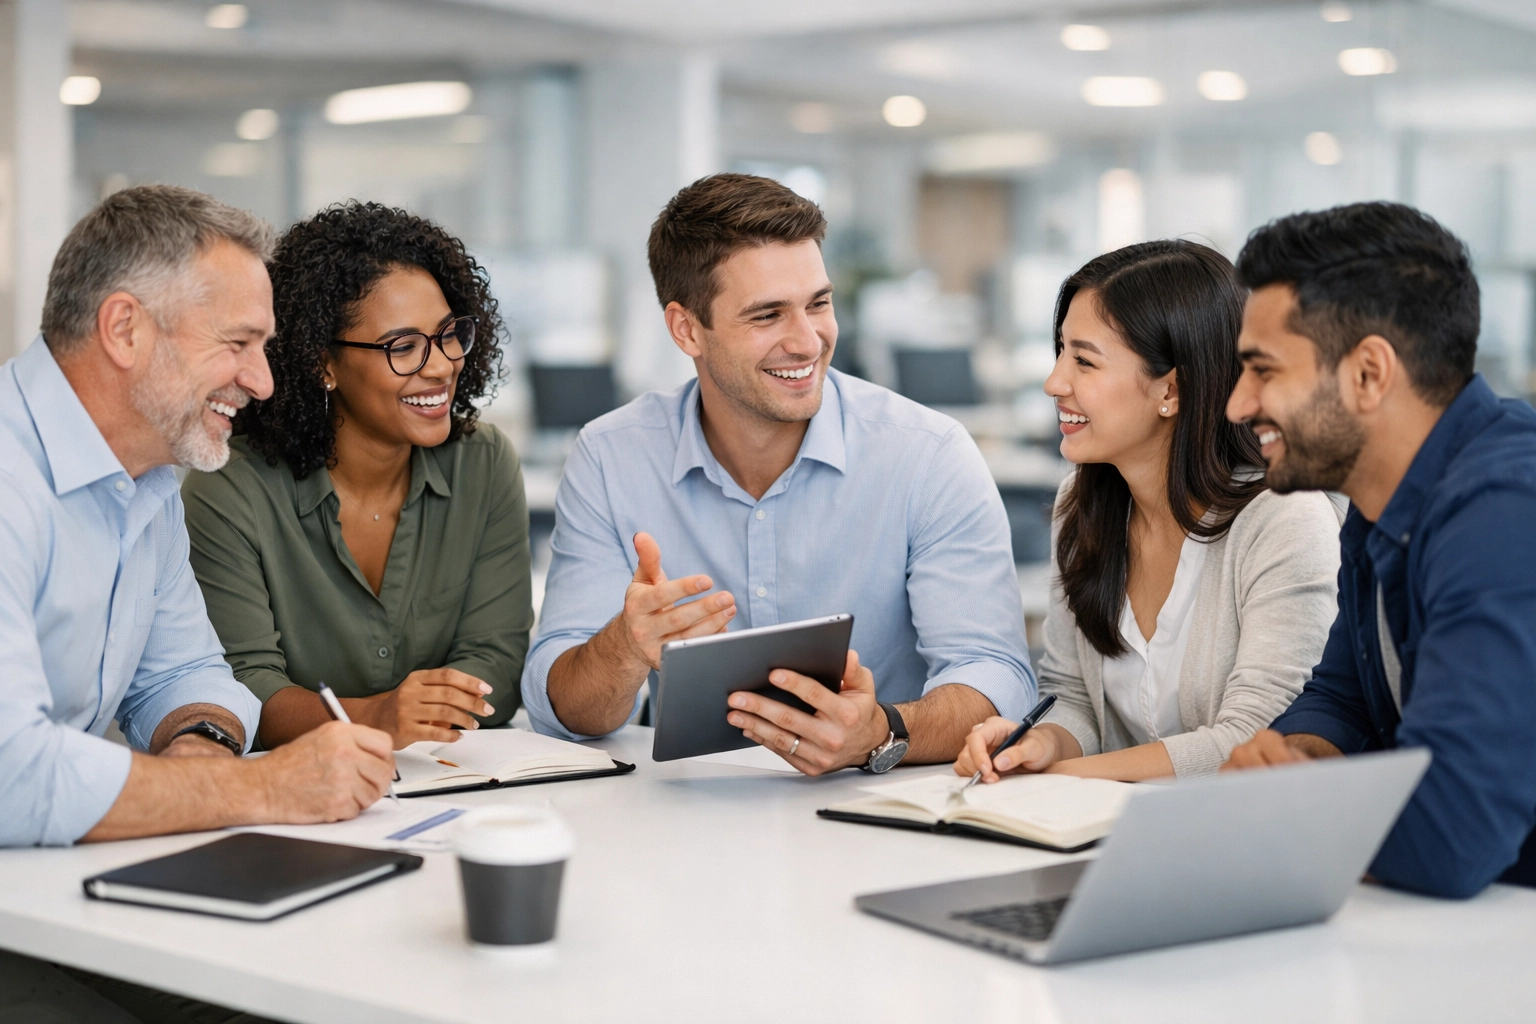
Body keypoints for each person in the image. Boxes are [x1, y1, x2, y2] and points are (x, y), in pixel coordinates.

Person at [0, 187, 393, 1019]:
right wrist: (265, 788)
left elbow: (186, 672)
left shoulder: (146, 481)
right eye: (238, 344)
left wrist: (202, 750)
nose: (262, 381)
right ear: (124, 330)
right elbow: (12, 775)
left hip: (47, 885)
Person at [521, 173, 1035, 774]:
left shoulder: (928, 454)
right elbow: (561, 708)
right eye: (767, 315)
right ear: (687, 329)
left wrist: (883, 731)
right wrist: (623, 648)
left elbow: (997, 676)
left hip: (879, 799)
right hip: (684, 808)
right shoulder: (611, 457)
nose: (808, 341)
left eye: (818, 304)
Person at [1220, 201, 1536, 900]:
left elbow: (1453, 834)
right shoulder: (1382, 507)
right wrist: (1295, 758)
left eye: (1263, 370)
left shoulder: (1504, 509)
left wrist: (1288, 805)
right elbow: (1343, 699)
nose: (1238, 405)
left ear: (1368, 373)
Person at [954, 241, 1344, 784]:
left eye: (1084, 361)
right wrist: (1039, 744)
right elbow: (1074, 699)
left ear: (1171, 389)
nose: (1054, 382)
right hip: (1102, 822)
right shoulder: (1080, 505)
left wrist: (1060, 776)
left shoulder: (1285, 521)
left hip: (1227, 828)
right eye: (1061, 351)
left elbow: (1253, 740)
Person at [182, 202, 532, 750]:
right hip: (293, 785)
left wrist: (416, 719)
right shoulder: (230, 489)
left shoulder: (484, 464)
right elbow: (243, 688)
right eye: (404, 347)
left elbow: (498, 663)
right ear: (322, 363)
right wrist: (377, 717)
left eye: (448, 335)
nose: (441, 366)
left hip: (451, 777)